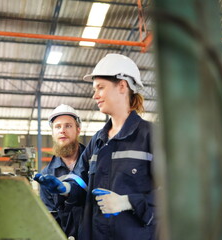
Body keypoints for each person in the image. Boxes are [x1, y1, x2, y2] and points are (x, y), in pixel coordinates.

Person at [35, 53, 156, 240]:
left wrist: (128, 202)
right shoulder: (98, 141)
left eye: (100, 87)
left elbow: (174, 194)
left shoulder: (151, 137)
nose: (95, 95)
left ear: (122, 86)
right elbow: (82, 185)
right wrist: (65, 189)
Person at [35, 104, 87, 239]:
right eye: (57, 127)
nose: (62, 131)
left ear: (78, 130)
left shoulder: (94, 162)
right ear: (52, 133)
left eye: (68, 126)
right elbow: (52, 218)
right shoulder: (48, 174)